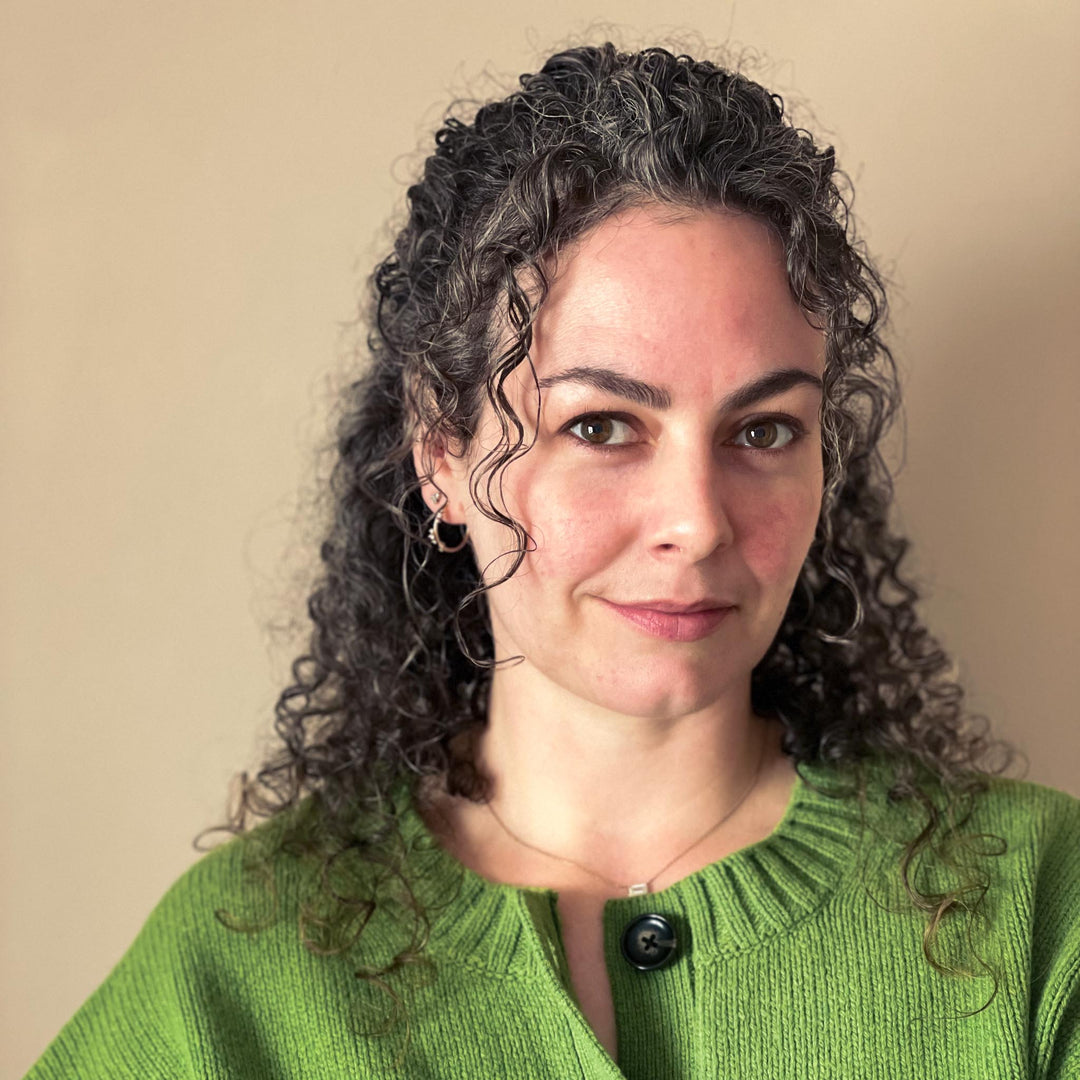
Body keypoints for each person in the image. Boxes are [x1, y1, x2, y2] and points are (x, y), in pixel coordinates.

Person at [26, 41, 1079, 1080]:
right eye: (602, 426)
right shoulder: (241, 970)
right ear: (443, 450)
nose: (697, 522)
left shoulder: (1030, 910)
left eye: (763, 432)